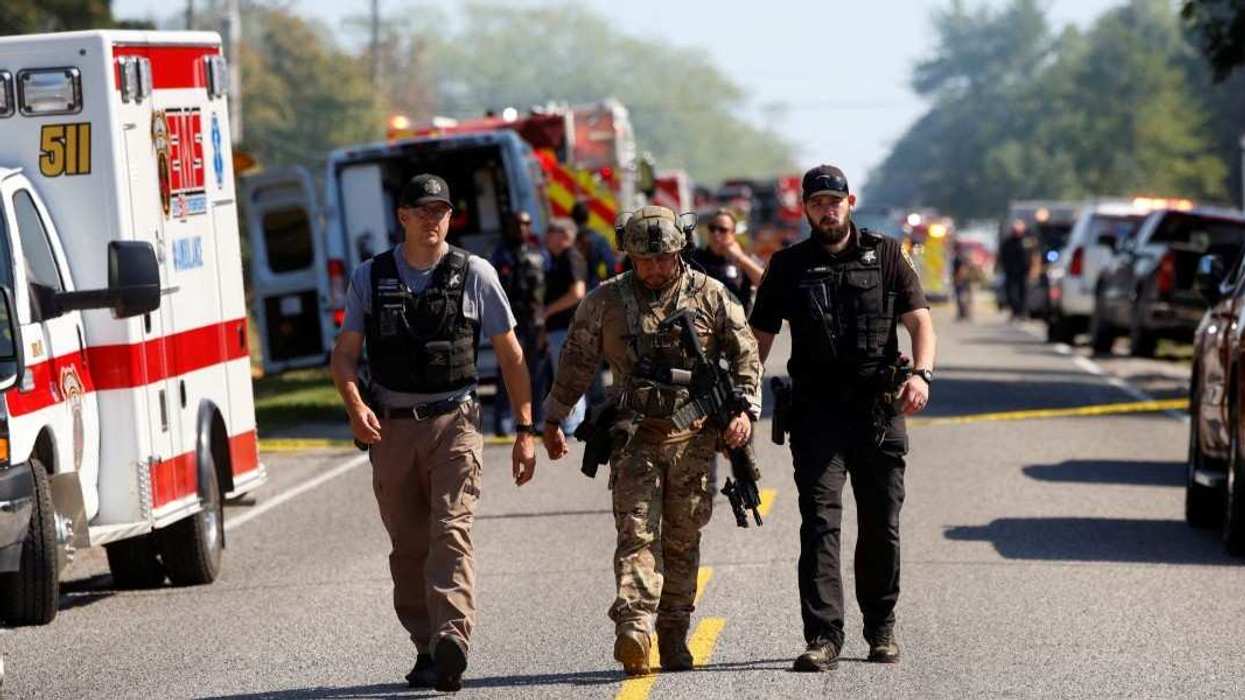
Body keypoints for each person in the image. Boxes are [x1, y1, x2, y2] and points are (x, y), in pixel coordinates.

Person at [330, 173, 538, 692]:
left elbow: (512, 355)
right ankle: (424, 645)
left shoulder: (476, 273)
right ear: (402, 215)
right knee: (408, 545)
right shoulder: (370, 277)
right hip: (392, 430)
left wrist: (526, 429)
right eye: (423, 209)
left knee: (451, 531)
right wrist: (355, 408)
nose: (433, 218)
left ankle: (452, 640)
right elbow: (345, 356)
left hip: (456, 422)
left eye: (441, 210)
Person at [541, 206, 761, 676]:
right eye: (645, 260)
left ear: (681, 250)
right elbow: (576, 362)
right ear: (629, 256)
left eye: (665, 258)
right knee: (637, 536)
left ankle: (674, 635)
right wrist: (553, 419)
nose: (656, 268)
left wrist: (743, 411)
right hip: (635, 440)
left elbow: (746, 356)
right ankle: (635, 629)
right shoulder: (605, 302)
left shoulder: (712, 296)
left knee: (682, 543)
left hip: (695, 443)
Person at [748, 165, 936, 672]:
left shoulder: (888, 254)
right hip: (817, 414)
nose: (827, 210)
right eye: (817, 203)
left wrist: (921, 375)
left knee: (881, 525)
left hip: (878, 410)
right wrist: (743, 400)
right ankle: (824, 635)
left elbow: (920, 321)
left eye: (835, 201)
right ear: (805, 209)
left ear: (850, 202)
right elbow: (758, 341)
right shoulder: (787, 265)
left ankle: (880, 627)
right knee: (820, 524)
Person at [489, 210, 548, 435]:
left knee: (537, 373)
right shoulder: (499, 254)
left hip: (535, 321)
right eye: (518, 223)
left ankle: (538, 420)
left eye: (526, 223)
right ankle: (503, 421)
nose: (522, 228)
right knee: (508, 369)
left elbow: (547, 290)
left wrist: (545, 321)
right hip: (509, 322)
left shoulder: (539, 254)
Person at [542, 217, 588, 434]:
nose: (547, 235)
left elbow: (577, 293)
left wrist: (548, 311)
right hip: (559, 328)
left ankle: (573, 425)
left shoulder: (571, 257)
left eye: (552, 230)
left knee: (567, 378)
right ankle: (573, 423)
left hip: (567, 327)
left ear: (565, 235)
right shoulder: (558, 259)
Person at [687, 208, 765, 312]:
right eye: (712, 228)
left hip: (736, 324)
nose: (716, 234)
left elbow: (768, 284)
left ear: (733, 233)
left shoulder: (744, 261)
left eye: (722, 230)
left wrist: (741, 258)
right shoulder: (695, 258)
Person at [571, 200, 618, 290]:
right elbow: (611, 265)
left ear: (572, 217)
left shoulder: (566, 240)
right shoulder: (598, 239)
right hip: (591, 288)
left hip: (570, 291)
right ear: (588, 218)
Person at [998, 219, 1033, 320]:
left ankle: (1022, 312)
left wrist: (1032, 269)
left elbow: (1032, 255)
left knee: (1023, 292)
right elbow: (1002, 256)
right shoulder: (1008, 242)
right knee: (1011, 293)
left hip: (1023, 272)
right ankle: (1014, 311)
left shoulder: (1027, 241)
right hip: (1010, 272)